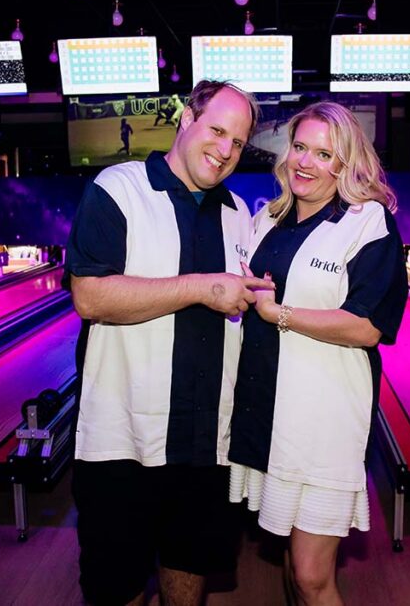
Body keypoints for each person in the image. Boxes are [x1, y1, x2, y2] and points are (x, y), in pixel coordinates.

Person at [64, 80, 270, 606]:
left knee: (189, 572)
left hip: (206, 444)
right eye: (217, 131)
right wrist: (202, 287)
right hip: (121, 442)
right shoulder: (119, 188)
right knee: (118, 588)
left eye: (239, 143)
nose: (225, 151)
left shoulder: (238, 213)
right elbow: (90, 296)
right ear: (186, 119)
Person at [228, 101, 406, 606]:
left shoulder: (366, 222)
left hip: (324, 420)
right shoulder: (268, 218)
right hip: (268, 413)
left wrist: (278, 313)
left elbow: (368, 326)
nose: (305, 162)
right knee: (290, 559)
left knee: (311, 576)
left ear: (345, 163)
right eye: (300, 148)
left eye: (323, 154)